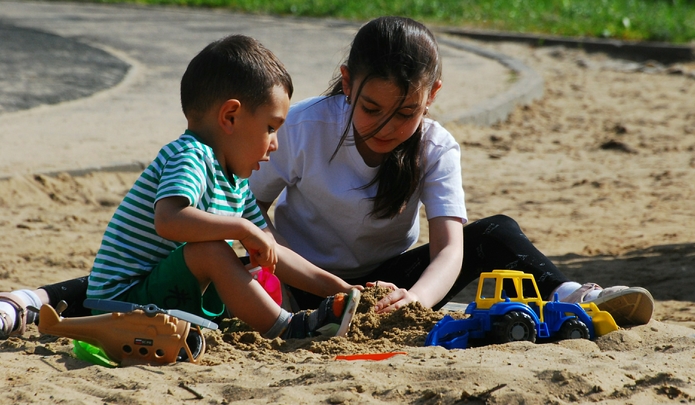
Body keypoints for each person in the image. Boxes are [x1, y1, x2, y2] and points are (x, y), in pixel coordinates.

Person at [248, 16, 654, 326]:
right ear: (349, 84)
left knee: (497, 231)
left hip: (385, 288)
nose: (386, 128)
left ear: (431, 96)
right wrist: (280, 261)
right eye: (371, 109)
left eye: (405, 113)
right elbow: (247, 205)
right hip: (297, 282)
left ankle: (573, 295)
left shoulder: (436, 146)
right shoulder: (302, 127)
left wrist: (415, 300)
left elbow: (449, 251)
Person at [0, 34, 360, 341]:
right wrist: (243, 227)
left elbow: (276, 253)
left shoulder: (234, 181)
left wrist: (342, 288)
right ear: (230, 117)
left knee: (242, 256)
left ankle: (291, 321)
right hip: (120, 302)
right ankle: (289, 330)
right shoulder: (190, 155)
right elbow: (169, 220)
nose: (276, 143)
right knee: (213, 251)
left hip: (160, 295)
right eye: (271, 127)